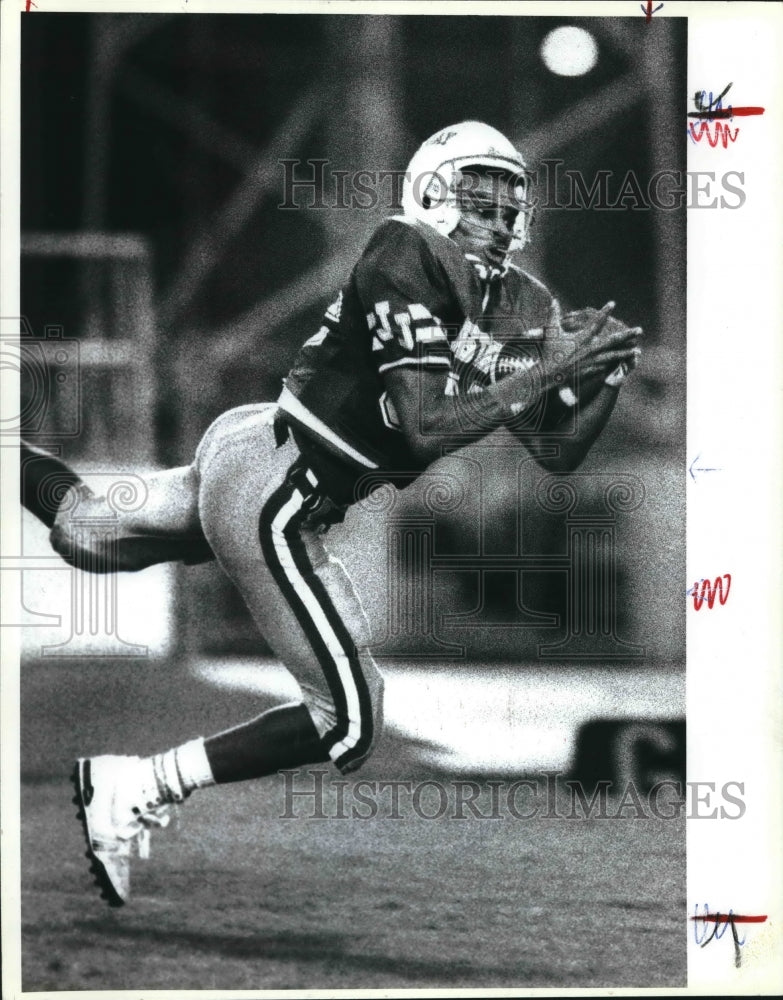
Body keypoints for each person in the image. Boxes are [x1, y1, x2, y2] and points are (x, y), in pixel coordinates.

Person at [28, 121, 642, 906]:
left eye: (505, 209)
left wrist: (603, 378)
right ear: (432, 196)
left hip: (262, 452)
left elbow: (555, 449)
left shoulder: (520, 301)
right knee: (348, 720)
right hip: (281, 478)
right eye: (477, 204)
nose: (495, 222)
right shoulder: (404, 251)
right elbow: (424, 425)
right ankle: (139, 783)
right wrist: (548, 368)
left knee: (86, 534)